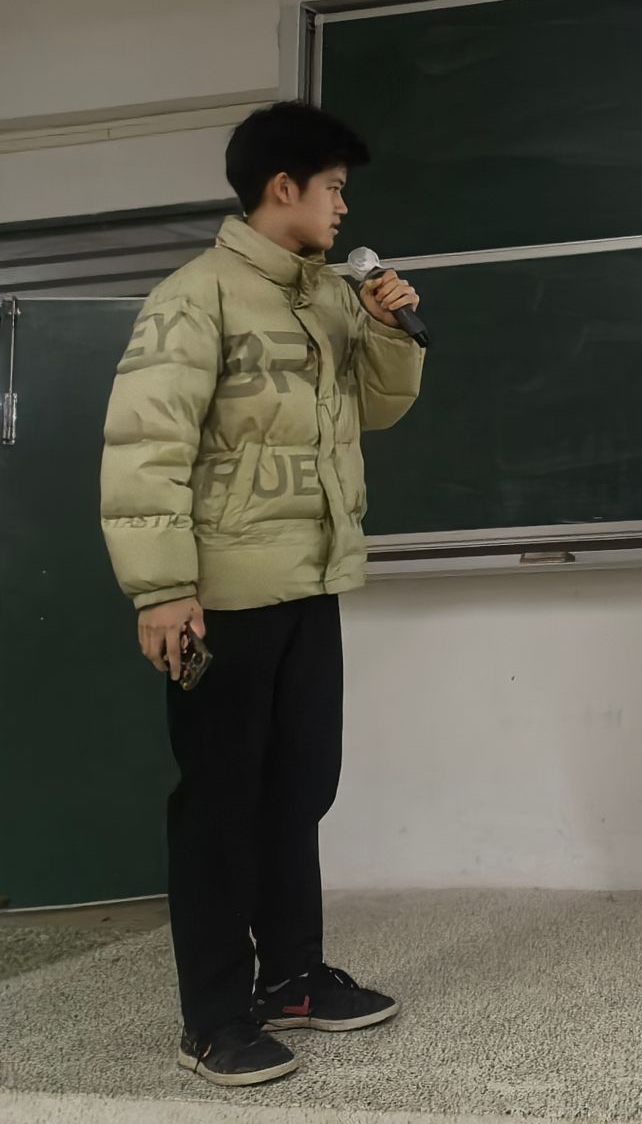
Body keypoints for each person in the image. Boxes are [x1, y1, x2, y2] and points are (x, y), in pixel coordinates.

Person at [100, 101, 426, 1087]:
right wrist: (163, 590)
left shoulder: (329, 297)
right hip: (222, 596)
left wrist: (391, 332)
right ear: (282, 188)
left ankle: (292, 978)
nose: (341, 208)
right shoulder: (194, 297)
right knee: (219, 805)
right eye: (333, 189)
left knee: (300, 788)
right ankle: (213, 1017)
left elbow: (377, 411)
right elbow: (145, 446)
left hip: (309, 581)